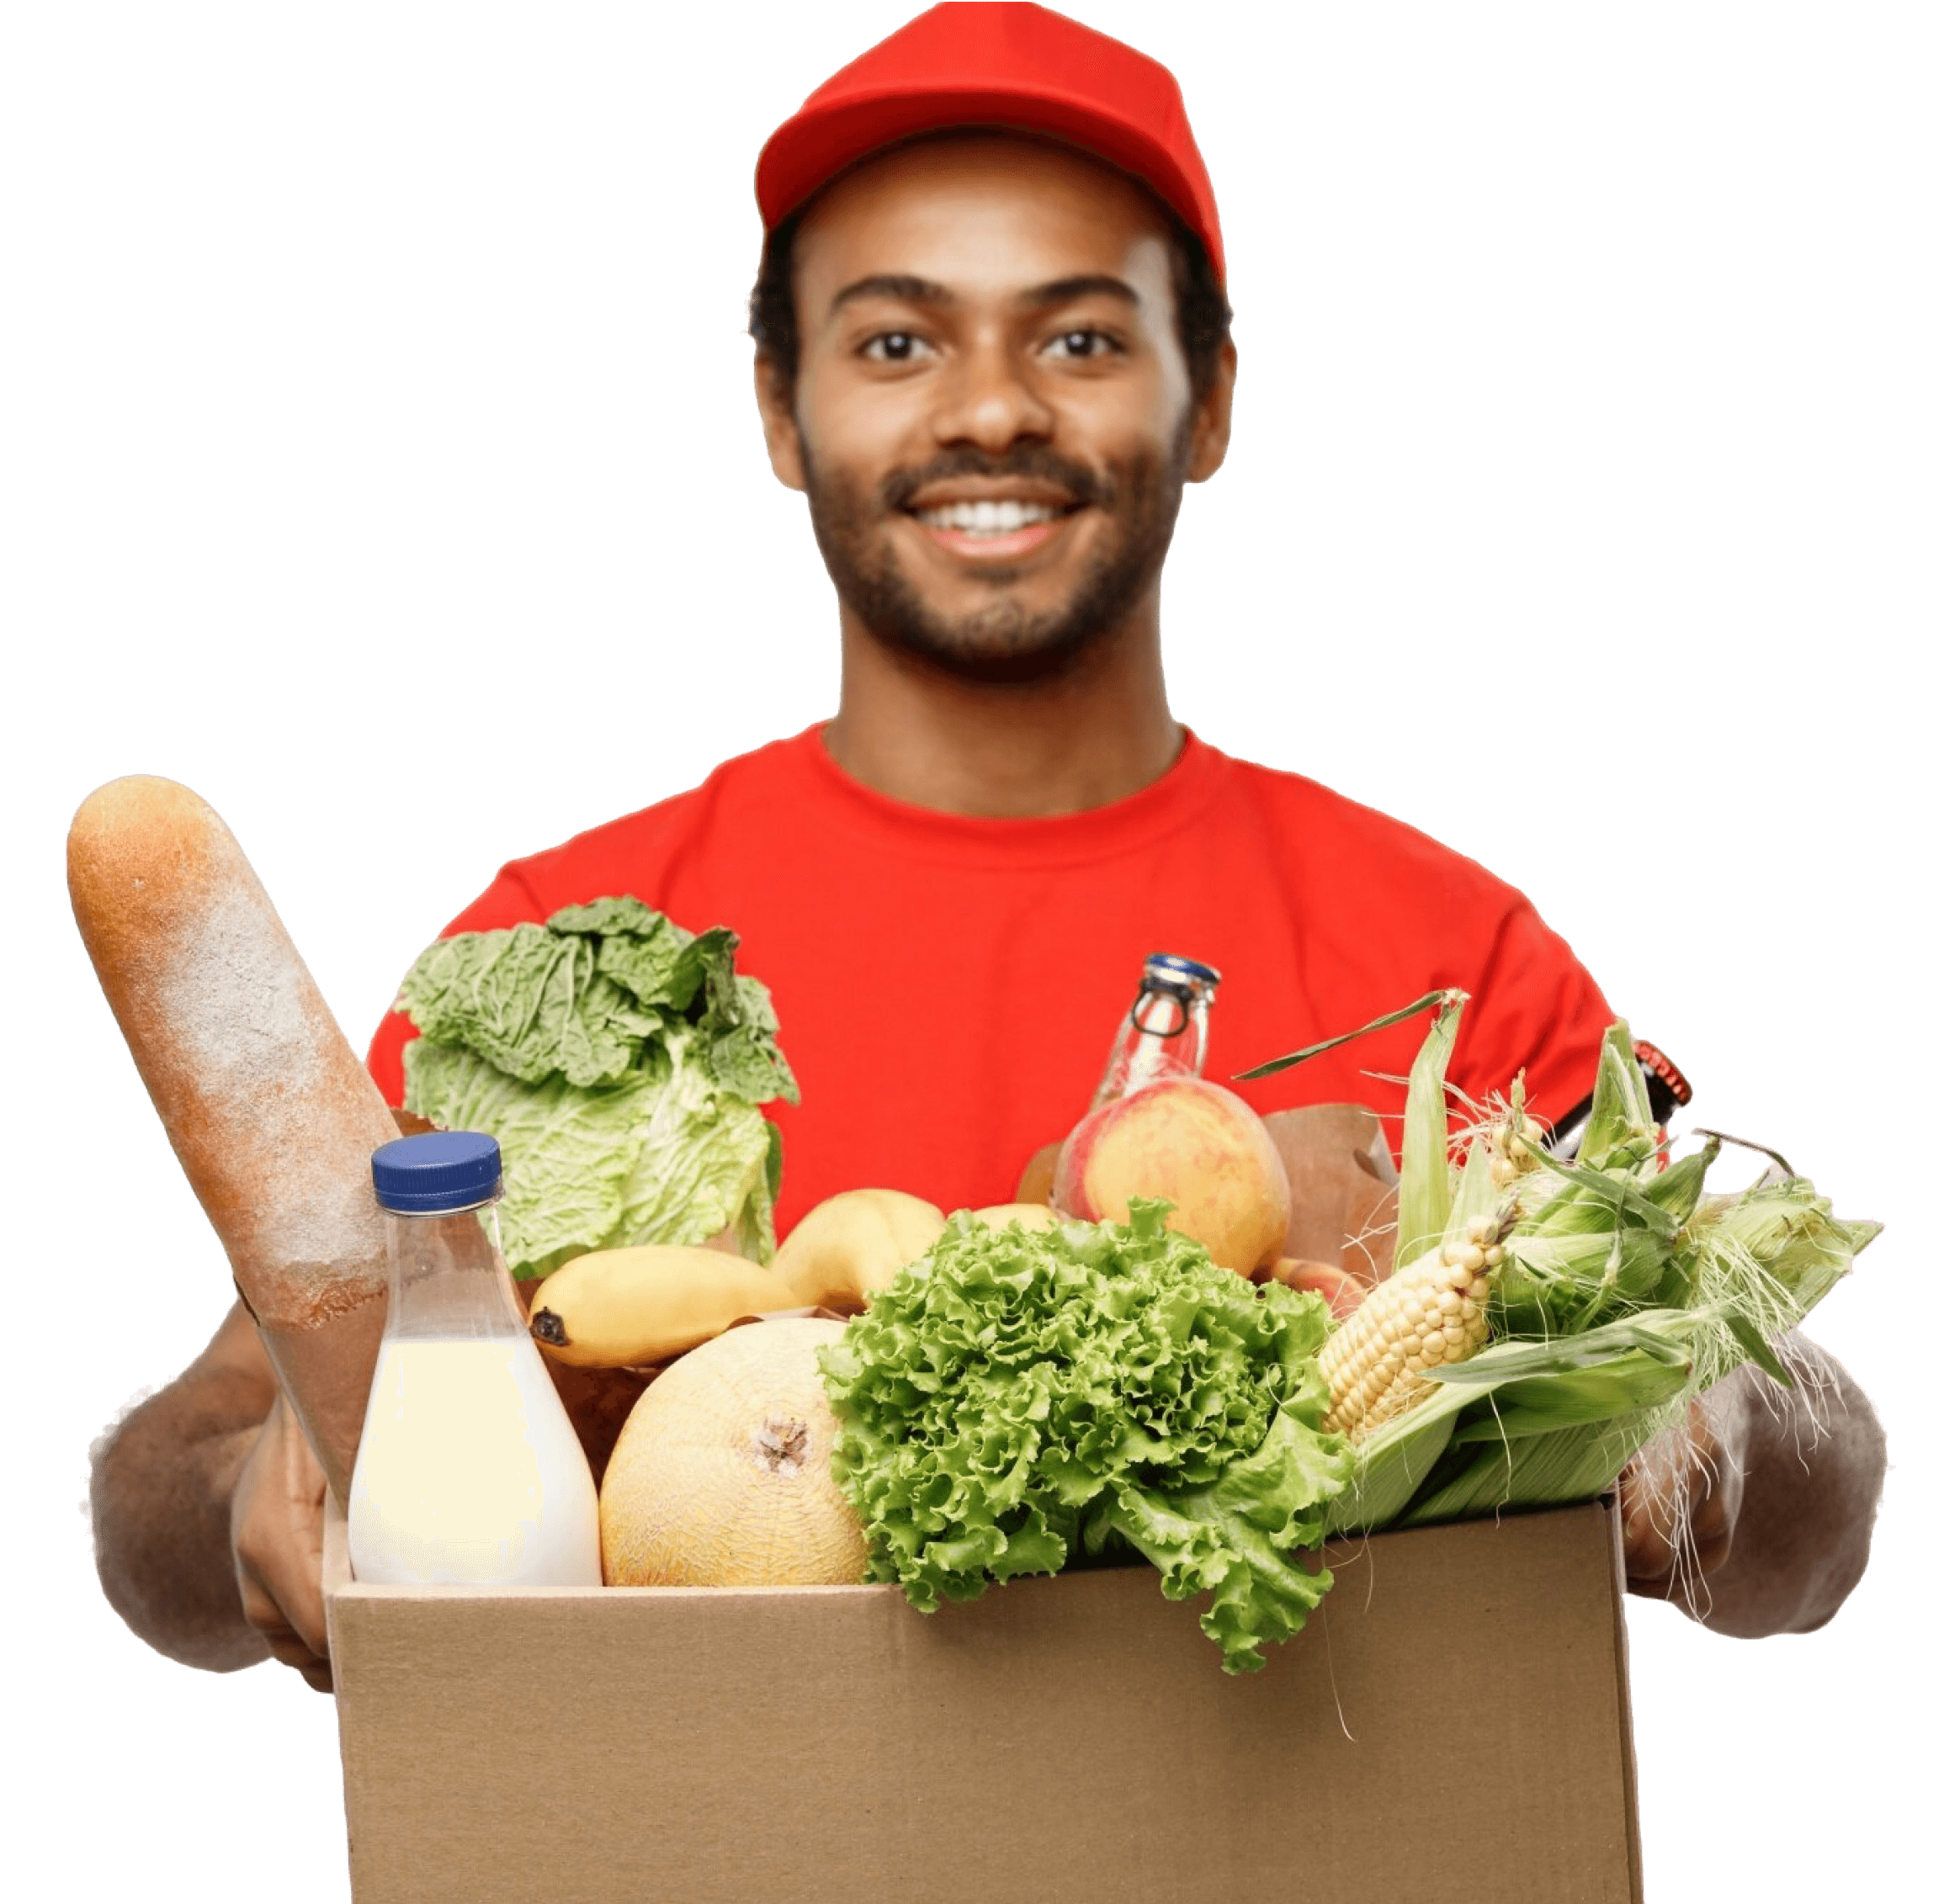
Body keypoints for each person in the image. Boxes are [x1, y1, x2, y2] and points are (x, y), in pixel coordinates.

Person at [84, 3, 1885, 1698]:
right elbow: (180, 1486)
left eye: (1084, 335)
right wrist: (252, 1487)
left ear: (1214, 398)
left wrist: (1681, 1429)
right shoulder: (569, 957)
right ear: (785, 414)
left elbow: (1814, 1535)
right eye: (895, 339)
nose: (993, 407)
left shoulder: (1442, 956)